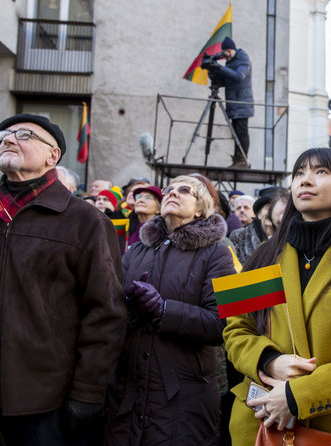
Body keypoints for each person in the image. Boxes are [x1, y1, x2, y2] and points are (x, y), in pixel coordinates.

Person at [0, 113, 127, 445]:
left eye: (24, 135)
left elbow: (105, 314)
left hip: (48, 401)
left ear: (53, 155)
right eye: (4, 135)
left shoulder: (86, 221)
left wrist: (88, 391)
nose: (8, 139)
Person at [223, 148, 331, 445]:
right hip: (260, 423)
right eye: (299, 173)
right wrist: (268, 360)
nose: (305, 181)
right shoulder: (262, 255)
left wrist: (299, 395)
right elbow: (234, 330)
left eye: (320, 172)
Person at [104, 175, 236, 445]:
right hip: (129, 392)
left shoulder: (217, 253)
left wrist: (164, 310)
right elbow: (110, 310)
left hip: (184, 398)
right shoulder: (136, 250)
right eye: (169, 190)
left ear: (200, 208)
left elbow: (221, 324)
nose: (173, 194)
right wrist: (127, 308)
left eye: (184, 190)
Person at [209, 37, 254, 168]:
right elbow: (227, 80)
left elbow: (239, 76)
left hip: (242, 103)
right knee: (236, 133)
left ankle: (242, 160)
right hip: (233, 103)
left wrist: (220, 68)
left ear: (233, 49)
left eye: (228, 51)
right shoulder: (230, 62)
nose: (227, 54)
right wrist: (214, 72)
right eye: (225, 51)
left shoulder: (243, 59)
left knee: (241, 132)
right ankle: (237, 160)